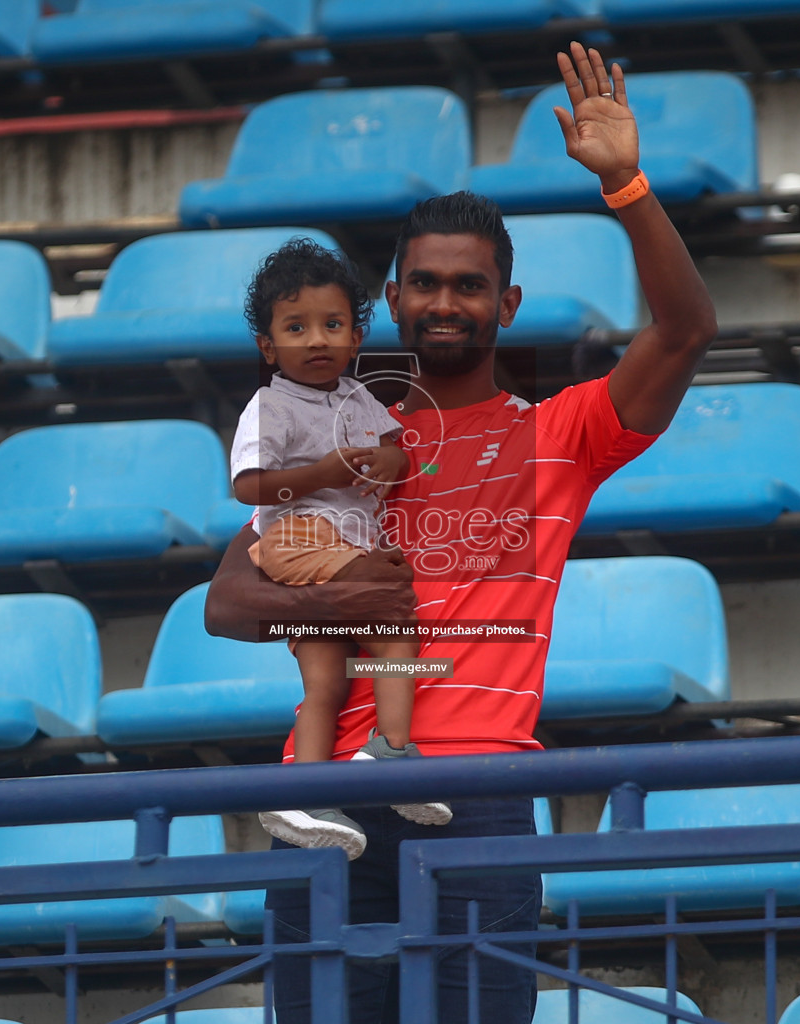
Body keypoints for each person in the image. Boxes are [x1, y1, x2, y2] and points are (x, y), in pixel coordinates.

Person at [204, 42, 718, 1024]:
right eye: (425, 283)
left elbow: (688, 330)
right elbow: (230, 600)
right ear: (392, 301)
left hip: (479, 792)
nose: (445, 301)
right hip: (326, 796)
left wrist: (625, 183)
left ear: (506, 304)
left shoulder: (559, 432)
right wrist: (348, 594)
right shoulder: (340, 436)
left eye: (469, 285)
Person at [229, 238, 451, 861]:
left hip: (340, 540)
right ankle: (392, 750)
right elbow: (247, 485)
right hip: (297, 540)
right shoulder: (270, 405)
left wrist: (386, 458)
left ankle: (305, 791)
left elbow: (397, 452)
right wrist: (322, 473)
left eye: (332, 325)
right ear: (268, 347)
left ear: (356, 338)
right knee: (394, 620)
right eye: (295, 327)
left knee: (325, 678)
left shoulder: (359, 398)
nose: (316, 339)